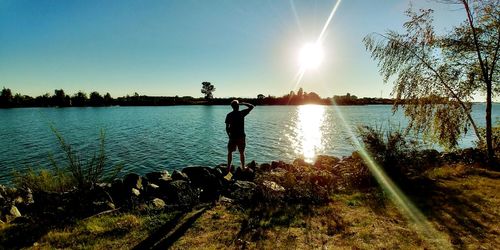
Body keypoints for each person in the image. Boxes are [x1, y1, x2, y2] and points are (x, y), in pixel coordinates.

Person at [225, 100, 254, 180]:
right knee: (242, 152)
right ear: (238, 106)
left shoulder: (229, 115)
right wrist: (243, 103)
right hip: (241, 136)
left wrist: (229, 136)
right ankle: (243, 167)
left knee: (230, 152)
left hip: (232, 136)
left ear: (232, 107)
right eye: (238, 105)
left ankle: (228, 168)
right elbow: (252, 106)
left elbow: (227, 128)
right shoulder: (241, 113)